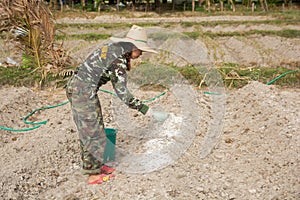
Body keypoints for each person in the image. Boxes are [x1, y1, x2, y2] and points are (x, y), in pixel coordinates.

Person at [66, 25, 157, 184]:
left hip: (83, 89)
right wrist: (146, 110)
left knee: (97, 126)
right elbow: (123, 94)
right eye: (140, 50)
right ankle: (93, 174)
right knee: (91, 130)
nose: (141, 53)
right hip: (81, 91)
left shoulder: (114, 49)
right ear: (133, 47)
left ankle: (99, 164)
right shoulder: (117, 60)